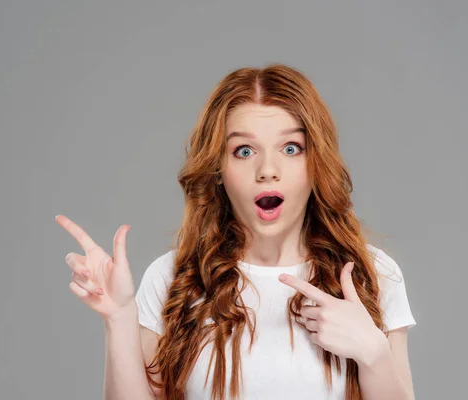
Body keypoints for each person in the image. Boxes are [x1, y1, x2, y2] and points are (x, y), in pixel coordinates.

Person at [55, 64, 417, 400]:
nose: (267, 169)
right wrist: (119, 317)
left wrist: (373, 354)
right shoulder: (172, 278)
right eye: (244, 151)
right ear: (218, 170)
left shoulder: (372, 275)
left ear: (316, 163)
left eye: (291, 148)